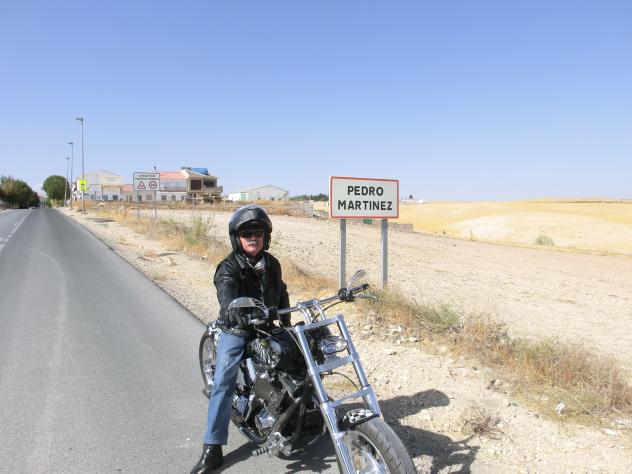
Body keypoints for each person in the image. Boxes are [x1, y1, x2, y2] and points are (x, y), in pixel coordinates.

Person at [191, 205, 290, 474]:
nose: (253, 238)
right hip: (237, 329)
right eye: (247, 234)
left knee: (300, 357)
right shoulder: (228, 267)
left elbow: (281, 292)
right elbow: (226, 294)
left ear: (266, 237)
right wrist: (234, 311)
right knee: (224, 379)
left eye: (258, 233)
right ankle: (212, 448)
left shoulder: (273, 263)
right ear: (237, 238)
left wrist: (287, 323)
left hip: (266, 327)